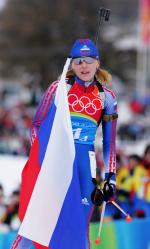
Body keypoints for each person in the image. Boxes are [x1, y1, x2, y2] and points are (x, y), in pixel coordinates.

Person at [11, 38, 118, 249]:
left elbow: (110, 143)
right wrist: (44, 158)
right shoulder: (59, 88)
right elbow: (36, 126)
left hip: (84, 169)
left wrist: (110, 179)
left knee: (78, 228)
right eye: (78, 61)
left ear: (97, 63)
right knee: (37, 222)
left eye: (89, 60)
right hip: (56, 164)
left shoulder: (107, 97)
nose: (84, 66)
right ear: (71, 65)